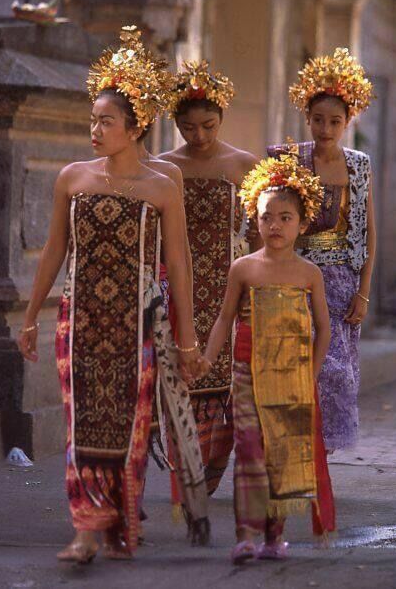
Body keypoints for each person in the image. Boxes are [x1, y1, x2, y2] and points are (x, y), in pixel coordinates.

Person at [18, 26, 209, 564]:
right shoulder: (73, 178)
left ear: (135, 126)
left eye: (106, 121)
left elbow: (179, 263)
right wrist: (32, 316)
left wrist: (188, 339)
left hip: (137, 323)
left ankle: (120, 518)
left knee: (130, 425)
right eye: (93, 120)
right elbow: (55, 250)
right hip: (78, 322)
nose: (95, 130)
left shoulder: (162, 185)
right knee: (82, 425)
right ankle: (84, 528)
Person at [199, 154, 335, 564]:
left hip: (292, 378)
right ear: (254, 220)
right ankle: (245, 535)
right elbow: (225, 319)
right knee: (249, 450)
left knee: (282, 454)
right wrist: (207, 359)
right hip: (246, 374)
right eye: (267, 217)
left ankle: (275, 536)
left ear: (303, 224)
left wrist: (310, 375)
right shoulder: (243, 269)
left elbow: (323, 329)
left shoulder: (309, 274)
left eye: (285, 218)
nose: (275, 225)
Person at [268, 48, 376, 451]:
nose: (325, 128)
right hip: (293, 275)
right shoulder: (288, 159)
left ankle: (321, 449)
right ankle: (290, 440)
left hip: (341, 282)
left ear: (349, 122)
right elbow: (268, 218)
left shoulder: (358, 165)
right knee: (294, 357)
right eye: (317, 120)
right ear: (306, 119)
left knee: (335, 371)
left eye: (335, 121)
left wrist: (363, 290)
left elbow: (367, 232)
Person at [160, 61, 260, 495]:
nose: (198, 136)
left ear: (222, 117)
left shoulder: (244, 165)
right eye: (187, 127)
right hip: (176, 292)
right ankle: (187, 477)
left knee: (226, 383)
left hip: (229, 290)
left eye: (208, 125)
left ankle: (210, 471)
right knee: (181, 376)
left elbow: (260, 235)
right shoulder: (162, 167)